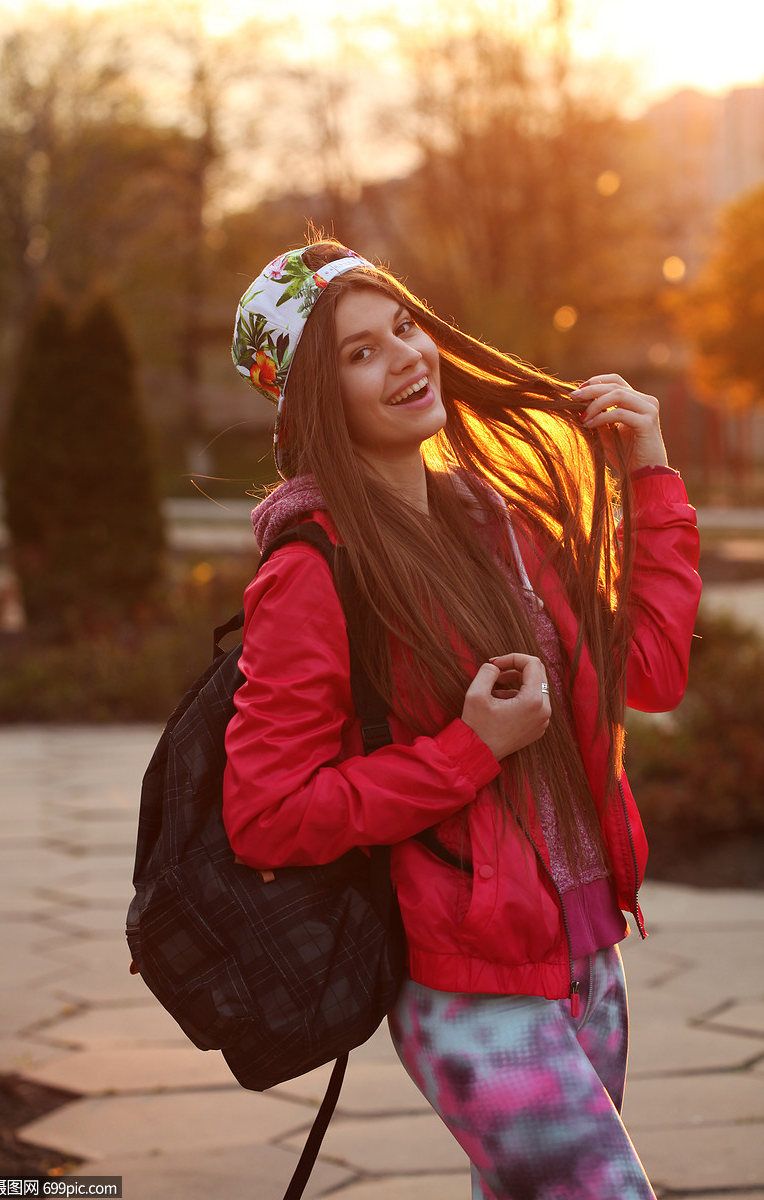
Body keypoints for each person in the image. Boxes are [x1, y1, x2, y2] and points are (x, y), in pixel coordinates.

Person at [223, 239, 701, 1199]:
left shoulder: (504, 529)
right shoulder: (314, 571)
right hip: (467, 986)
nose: (406, 356)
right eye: (361, 352)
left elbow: (648, 672)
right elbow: (266, 813)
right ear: (319, 399)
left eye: (404, 327)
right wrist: (468, 750)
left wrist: (651, 475)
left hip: (586, 951)